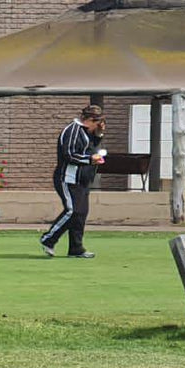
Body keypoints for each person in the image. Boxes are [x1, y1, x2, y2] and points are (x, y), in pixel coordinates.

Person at [39, 104, 106, 259]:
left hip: (82, 180)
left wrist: (99, 134)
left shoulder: (86, 132)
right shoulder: (72, 131)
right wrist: (90, 159)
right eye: (97, 123)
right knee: (72, 211)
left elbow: (90, 148)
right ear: (89, 120)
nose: (98, 126)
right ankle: (48, 239)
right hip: (67, 179)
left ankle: (76, 248)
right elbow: (69, 155)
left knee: (81, 213)